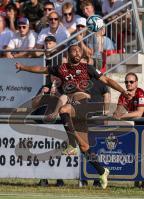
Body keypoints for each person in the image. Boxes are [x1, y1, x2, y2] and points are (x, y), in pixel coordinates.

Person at [15, 43, 130, 189]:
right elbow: (41, 69)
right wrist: (23, 67)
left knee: (63, 110)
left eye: (78, 50)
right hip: (74, 109)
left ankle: (70, 144)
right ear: (68, 54)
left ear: (82, 54)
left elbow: (106, 80)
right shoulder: (61, 68)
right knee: (84, 146)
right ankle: (102, 171)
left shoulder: (87, 68)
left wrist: (122, 90)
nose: (76, 52)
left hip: (84, 104)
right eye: (73, 50)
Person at [113, 72, 144, 188]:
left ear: (136, 83)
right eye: (126, 82)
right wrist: (118, 113)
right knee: (138, 154)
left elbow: (139, 113)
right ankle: (139, 182)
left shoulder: (140, 93)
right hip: (138, 127)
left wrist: (121, 116)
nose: (129, 84)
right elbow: (118, 111)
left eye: (131, 82)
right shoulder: (123, 95)